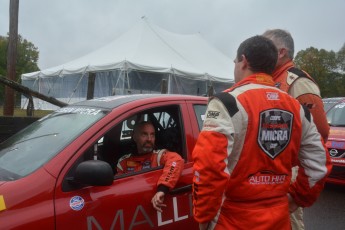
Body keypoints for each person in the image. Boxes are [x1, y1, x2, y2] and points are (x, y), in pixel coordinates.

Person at [192, 35, 332, 230]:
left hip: (233, 219)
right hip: (279, 217)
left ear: (244, 60)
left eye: (235, 61)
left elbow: (209, 168)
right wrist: (296, 199)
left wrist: (203, 216)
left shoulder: (227, 102)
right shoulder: (296, 108)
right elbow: (318, 165)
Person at [263, 29, 330, 230]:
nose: (261, 50)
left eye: (267, 46)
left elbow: (319, 134)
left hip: (287, 170)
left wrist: (297, 188)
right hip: (269, 168)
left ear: (281, 52)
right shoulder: (270, 79)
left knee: (286, 222)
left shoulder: (297, 82)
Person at [117, 121, 184, 212]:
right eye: (144, 134)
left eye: (152, 135)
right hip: (131, 210)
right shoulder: (123, 162)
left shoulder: (159, 156)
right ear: (134, 136)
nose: (149, 139)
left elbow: (176, 160)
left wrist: (162, 189)